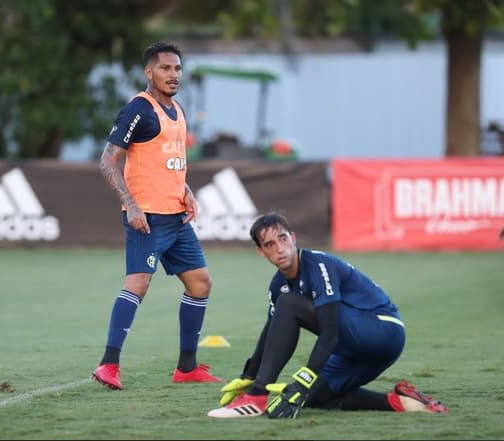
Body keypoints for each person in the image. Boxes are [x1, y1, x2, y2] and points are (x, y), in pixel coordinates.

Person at [208, 212, 448, 418]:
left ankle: (257, 399)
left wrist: (301, 379)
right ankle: (399, 401)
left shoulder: (317, 265)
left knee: (289, 305)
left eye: (282, 239)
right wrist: (248, 375)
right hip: (355, 349)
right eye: (269, 244)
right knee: (313, 397)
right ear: (261, 252)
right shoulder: (278, 285)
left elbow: (330, 331)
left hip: (382, 330)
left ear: (293, 238)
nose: (279, 248)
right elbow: (271, 330)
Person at [92, 41, 223, 390]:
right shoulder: (139, 109)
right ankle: (109, 365)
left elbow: (169, 161)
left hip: (176, 217)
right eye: (165, 68)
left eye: (178, 69)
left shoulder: (178, 110)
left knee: (200, 283)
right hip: (147, 217)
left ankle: (187, 367)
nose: (173, 75)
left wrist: (186, 189)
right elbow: (108, 160)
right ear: (149, 72)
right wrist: (131, 205)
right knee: (138, 283)